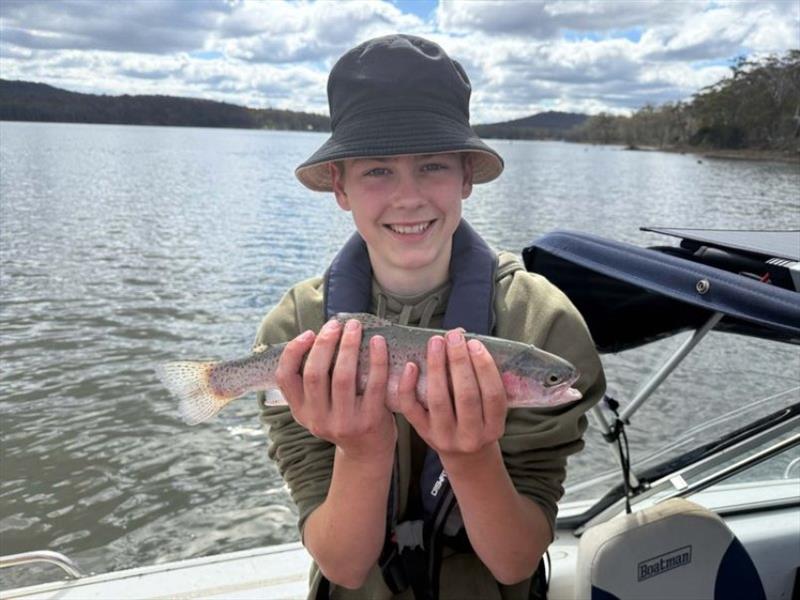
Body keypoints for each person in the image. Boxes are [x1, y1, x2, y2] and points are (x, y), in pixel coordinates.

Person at [255, 34, 605, 600]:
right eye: (377, 171)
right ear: (340, 187)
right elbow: (342, 566)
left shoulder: (544, 323)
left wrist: (470, 458)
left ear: (467, 176)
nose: (409, 196)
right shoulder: (294, 328)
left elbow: (516, 561)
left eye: (433, 165)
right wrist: (362, 450)